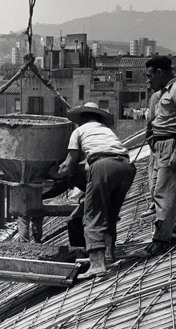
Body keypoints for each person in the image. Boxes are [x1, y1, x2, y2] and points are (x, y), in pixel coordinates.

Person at [58, 101, 136, 278]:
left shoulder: (79, 131)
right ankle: (109, 254)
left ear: (83, 118)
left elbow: (68, 166)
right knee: (109, 214)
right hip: (126, 167)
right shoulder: (106, 131)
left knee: (92, 214)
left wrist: (53, 174)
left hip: (103, 166)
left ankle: (97, 264)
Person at [135, 55, 176, 258]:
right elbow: (153, 120)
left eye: (150, 76)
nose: (148, 80)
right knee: (155, 190)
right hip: (159, 146)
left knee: (164, 194)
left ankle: (161, 240)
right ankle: (174, 232)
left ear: (160, 72)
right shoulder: (160, 94)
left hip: (172, 144)